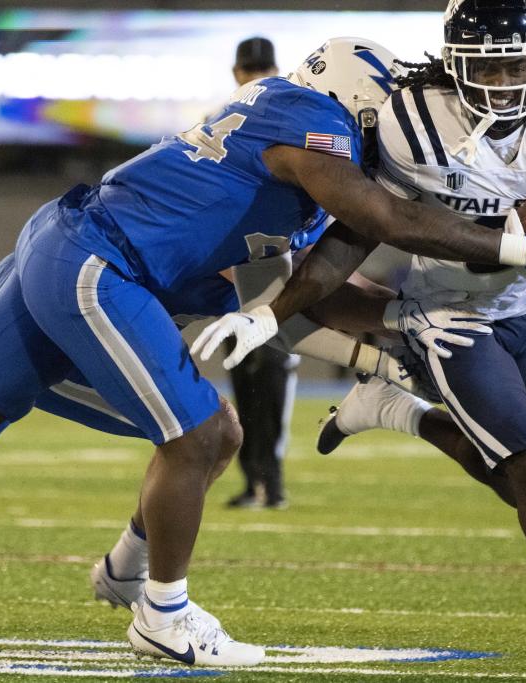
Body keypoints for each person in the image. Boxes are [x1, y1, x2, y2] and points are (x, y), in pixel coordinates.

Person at [0, 36, 526, 667]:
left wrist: (398, 325)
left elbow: (296, 286)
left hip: (82, 247)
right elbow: (378, 222)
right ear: (365, 101)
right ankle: (161, 612)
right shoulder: (311, 125)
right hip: (100, 260)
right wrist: (515, 248)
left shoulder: (293, 139)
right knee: (202, 434)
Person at [193, 3, 526, 676]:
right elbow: (364, 231)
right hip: (449, 311)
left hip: (525, 310)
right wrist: (272, 311)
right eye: (484, 65)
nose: (501, 81)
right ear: (453, 63)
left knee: (525, 488)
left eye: (516, 63)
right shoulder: (413, 121)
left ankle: (397, 410)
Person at [226, 36, 295, 510]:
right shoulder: (219, 122)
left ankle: (272, 480)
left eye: (261, 69)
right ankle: (253, 481)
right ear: (237, 74)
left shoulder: (293, 124)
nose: (254, 77)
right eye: (250, 70)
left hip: (277, 278)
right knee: (244, 382)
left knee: (272, 375)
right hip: (235, 280)